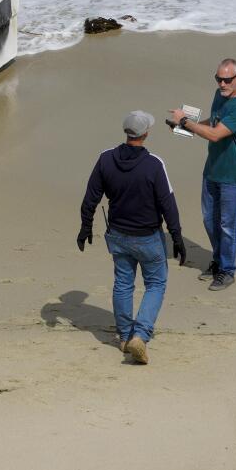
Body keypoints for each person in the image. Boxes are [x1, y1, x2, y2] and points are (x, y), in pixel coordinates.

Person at [78, 111, 184, 365]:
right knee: (156, 283)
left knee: (123, 283)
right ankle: (140, 334)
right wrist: (177, 236)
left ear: (127, 133)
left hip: (118, 235)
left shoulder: (105, 159)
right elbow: (167, 203)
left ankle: (125, 336)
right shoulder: (154, 164)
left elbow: (90, 197)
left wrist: (85, 227)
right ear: (145, 133)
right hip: (147, 236)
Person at [170, 58, 236, 292]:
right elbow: (213, 122)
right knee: (210, 220)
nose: (222, 83)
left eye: (227, 79)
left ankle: (227, 271)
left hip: (234, 174)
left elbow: (216, 134)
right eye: (219, 79)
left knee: (228, 224)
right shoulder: (220, 96)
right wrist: (184, 127)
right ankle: (218, 261)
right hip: (213, 170)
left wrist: (185, 121)